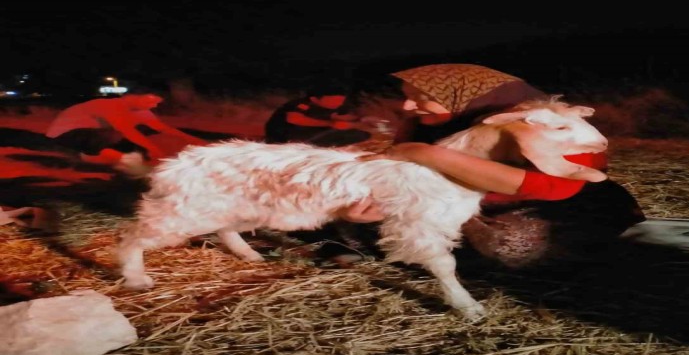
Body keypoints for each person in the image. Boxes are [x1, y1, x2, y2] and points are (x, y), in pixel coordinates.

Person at [340, 63, 646, 267]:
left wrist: (429, 155)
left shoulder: (547, 122)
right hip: (460, 204)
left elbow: (554, 188)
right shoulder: (421, 124)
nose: (408, 106)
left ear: (462, 96)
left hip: (546, 208)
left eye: (421, 98)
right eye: (407, 97)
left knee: (511, 243)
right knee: (349, 213)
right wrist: (384, 205)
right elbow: (403, 172)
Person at [45, 92, 208, 165]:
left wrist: (197, 141)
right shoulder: (111, 105)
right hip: (64, 135)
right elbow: (127, 131)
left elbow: (164, 129)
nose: (154, 105)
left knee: (139, 140)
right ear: (132, 98)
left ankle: (115, 158)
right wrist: (154, 150)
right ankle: (86, 157)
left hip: (90, 133)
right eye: (150, 101)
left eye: (156, 102)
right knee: (117, 134)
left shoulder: (142, 110)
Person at [264, 84, 372, 147]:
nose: (338, 103)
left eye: (340, 101)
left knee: (361, 134)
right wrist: (331, 124)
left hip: (309, 134)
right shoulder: (302, 104)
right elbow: (293, 119)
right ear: (314, 99)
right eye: (333, 101)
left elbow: (337, 117)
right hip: (284, 136)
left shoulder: (328, 107)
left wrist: (361, 120)